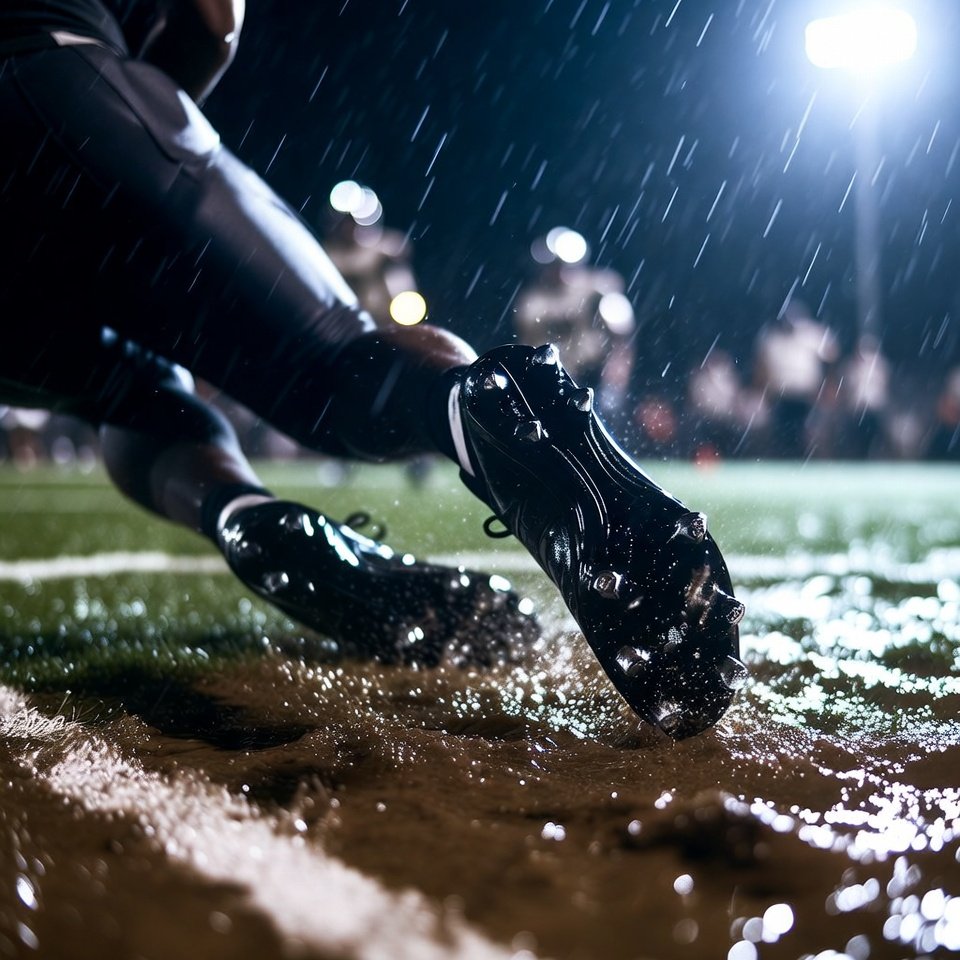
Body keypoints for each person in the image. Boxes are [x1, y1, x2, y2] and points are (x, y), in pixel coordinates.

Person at [0, 0, 745, 738]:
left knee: (128, 391)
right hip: (50, 71)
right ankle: (480, 410)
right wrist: (120, 141)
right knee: (338, 363)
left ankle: (247, 519)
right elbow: (208, 21)